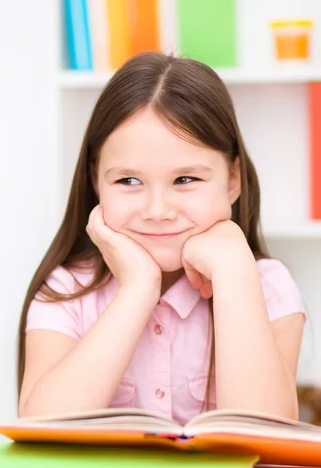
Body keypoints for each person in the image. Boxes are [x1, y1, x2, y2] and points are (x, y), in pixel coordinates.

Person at [17, 51, 305, 423]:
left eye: (185, 180)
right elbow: (41, 429)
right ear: (95, 180)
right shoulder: (68, 289)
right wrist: (138, 287)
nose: (157, 210)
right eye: (129, 181)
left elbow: (267, 435)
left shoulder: (269, 288)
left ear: (233, 180)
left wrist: (235, 272)